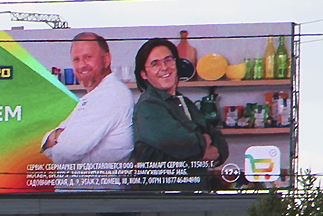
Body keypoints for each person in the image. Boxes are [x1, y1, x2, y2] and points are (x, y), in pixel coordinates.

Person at [41, 32, 135, 187]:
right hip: (81, 201)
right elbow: (48, 146)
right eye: (76, 59)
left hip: (96, 203)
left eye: (88, 57)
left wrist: (56, 137)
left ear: (106, 59)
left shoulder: (111, 94)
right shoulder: (94, 96)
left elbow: (66, 152)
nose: (81, 65)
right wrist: (58, 138)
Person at [131, 37, 227, 184]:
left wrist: (202, 150)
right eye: (155, 64)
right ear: (144, 74)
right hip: (166, 200)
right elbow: (184, 145)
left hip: (194, 195)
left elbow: (220, 143)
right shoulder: (148, 106)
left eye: (168, 60)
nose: (164, 67)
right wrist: (204, 141)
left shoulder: (185, 102)